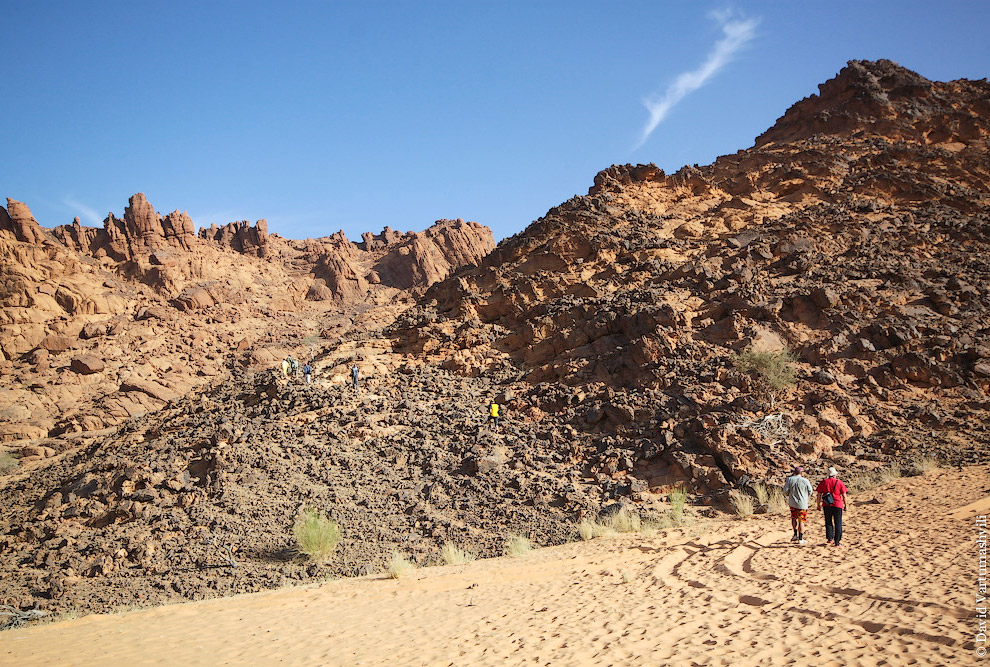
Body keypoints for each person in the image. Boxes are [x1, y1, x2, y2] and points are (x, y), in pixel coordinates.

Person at [815, 466, 849, 547]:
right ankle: (837, 541)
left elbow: (819, 494)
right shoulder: (839, 482)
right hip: (837, 504)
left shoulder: (823, 482)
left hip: (827, 504)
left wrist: (818, 504)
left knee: (828, 521)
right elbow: (844, 495)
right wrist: (846, 505)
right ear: (834, 475)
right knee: (838, 522)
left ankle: (830, 538)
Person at [783, 465, 813, 544]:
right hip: (802, 503)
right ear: (801, 473)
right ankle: (800, 538)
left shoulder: (789, 479)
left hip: (792, 502)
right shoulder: (805, 480)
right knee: (801, 520)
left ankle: (795, 534)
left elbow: (785, 491)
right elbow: (810, 491)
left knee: (793, 518)